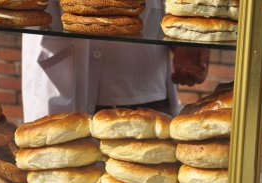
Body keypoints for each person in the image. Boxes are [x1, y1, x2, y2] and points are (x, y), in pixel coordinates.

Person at [22, 0, 210, 122]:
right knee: (57, 173)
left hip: (143, 90)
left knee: (149, 172)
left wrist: (189, 30)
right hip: (61, 84)